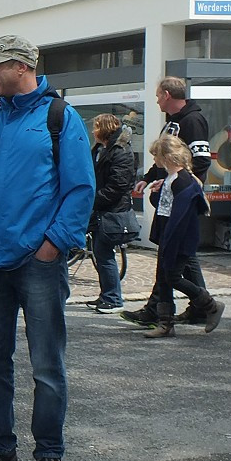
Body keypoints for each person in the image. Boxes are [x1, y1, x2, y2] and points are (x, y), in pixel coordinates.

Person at [0, 35, 95, 461]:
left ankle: (48, 454)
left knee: (47, 364)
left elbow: (80, 190)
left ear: (19, 66)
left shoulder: (60, 117)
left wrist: (53, 245)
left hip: (38, 262)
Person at [123, 77, 211, 327]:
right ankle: (199, 307)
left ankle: (160, 310)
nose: (157, 101)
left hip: (181, 197)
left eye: (158, 96)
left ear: (168, 94)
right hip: (169, 194)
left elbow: (202, 161)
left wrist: (177, 181)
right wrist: (150, 177)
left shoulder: (193, 121)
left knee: (172, 251)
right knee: (178, 253)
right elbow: (164, 158)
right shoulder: (172, 123)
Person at [141, 135, 225, 338]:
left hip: (177, 240)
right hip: (168, 238)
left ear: (167, 157)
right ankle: (166, 324)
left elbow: (179, 218)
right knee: (163, 279)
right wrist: (156, 193)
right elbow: (164, 208)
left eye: (157, 156)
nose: (155, 160)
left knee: (172, 277)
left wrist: (170, 243)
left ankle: (210, 305)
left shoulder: (183, 182)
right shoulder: (173, 179)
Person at [87, 114, 136, 314]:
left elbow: (118, 185)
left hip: (112, 211)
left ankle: (113, 298)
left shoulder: (120, 151)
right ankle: (106, 295)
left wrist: (94, 199)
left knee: (105, 254)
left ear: (103, 130)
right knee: (101, 253)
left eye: (95, 127)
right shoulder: (101, 149)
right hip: (102, 209)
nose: (92, 131)